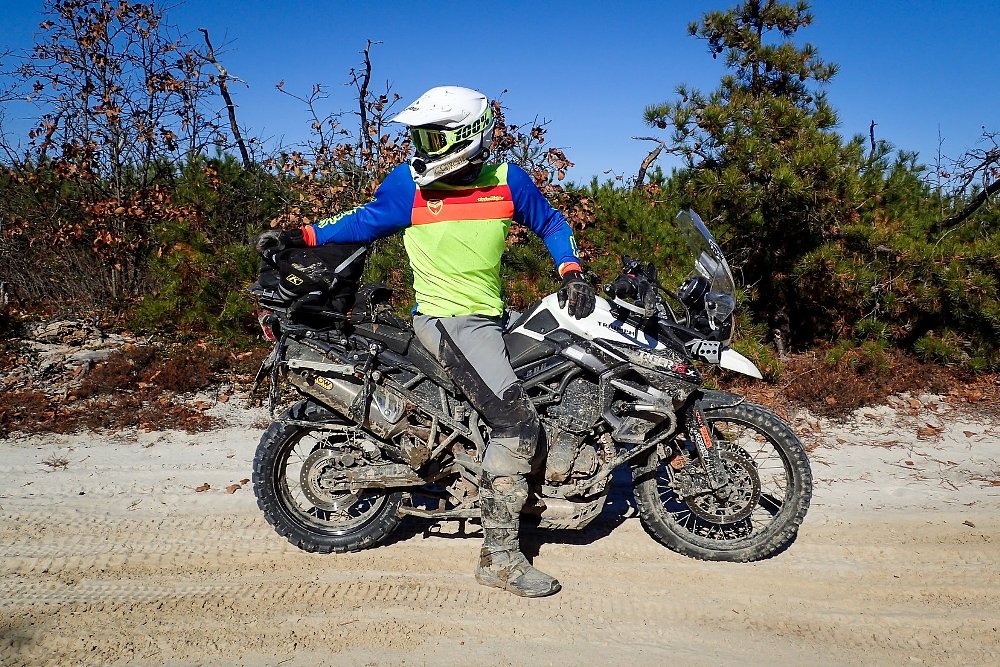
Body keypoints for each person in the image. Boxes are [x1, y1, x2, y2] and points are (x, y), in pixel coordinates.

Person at [257, 86, 596, 597]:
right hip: (450, 322)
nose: (420, 146)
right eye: (418, 135)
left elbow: (550, 221)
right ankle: (500, 559)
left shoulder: (508, 181)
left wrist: (570, 268)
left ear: (464, 135)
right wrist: (302, 236)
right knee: (516, 424)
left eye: (430, 135)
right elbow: (362, 223)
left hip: (490, 319)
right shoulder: (410, 187)